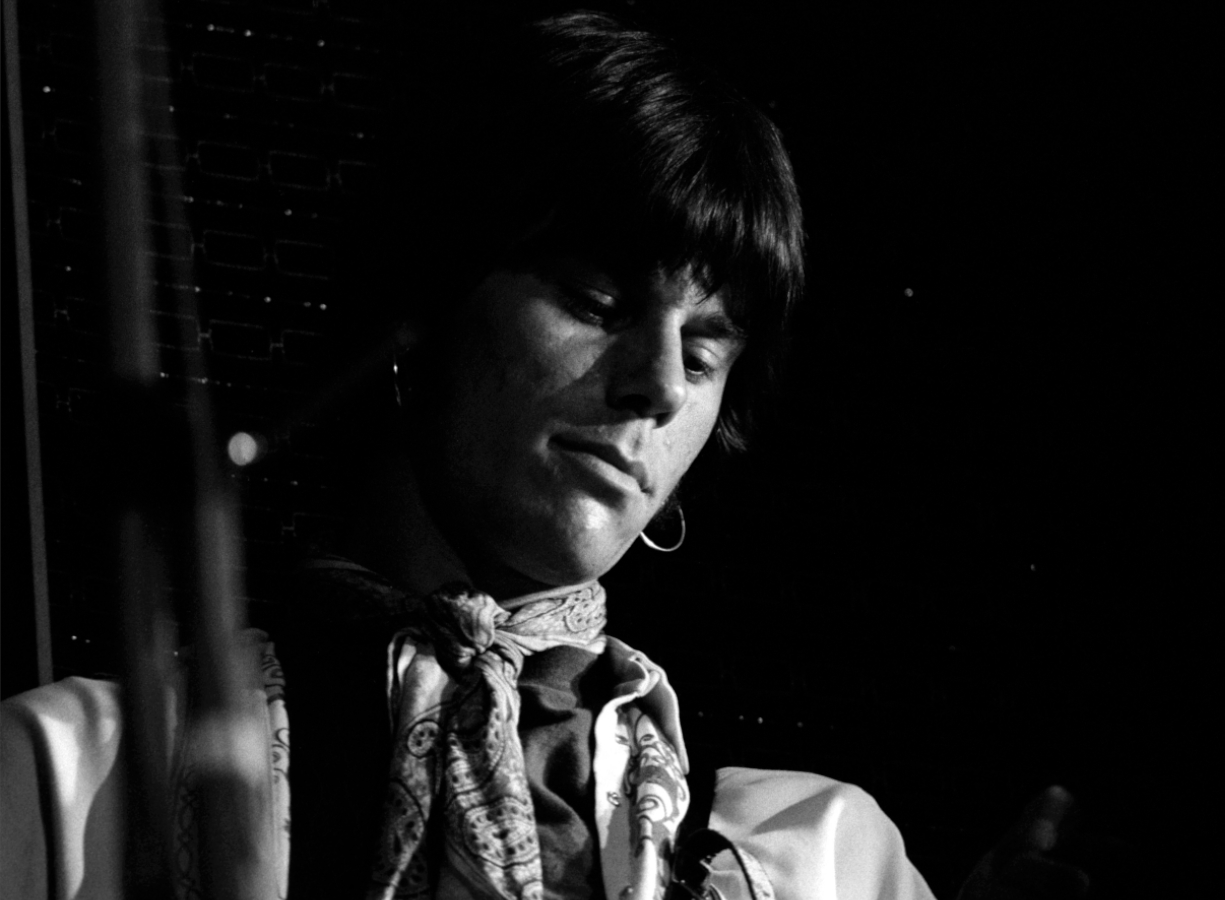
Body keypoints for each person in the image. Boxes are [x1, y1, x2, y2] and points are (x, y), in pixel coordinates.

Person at [2, 11, 1084, 899]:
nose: (659, 384)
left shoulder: (822, 861)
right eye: (596, 300)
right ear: (419, 310)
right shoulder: (72, 776)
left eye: (705, 350)